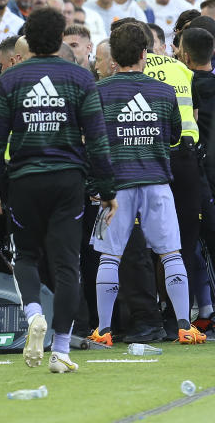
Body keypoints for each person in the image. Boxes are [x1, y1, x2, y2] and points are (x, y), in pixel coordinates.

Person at [0, 7, 117, 374]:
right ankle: (59, 350)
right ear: (60, 38)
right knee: (66, 265)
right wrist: (107, 190)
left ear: (28, 37)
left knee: (25, 256)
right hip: (67, 181)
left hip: (24, 180)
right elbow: (98, 140)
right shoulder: (80, 78)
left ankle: (34, 315)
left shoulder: (9, 81)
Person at [87, 22, 206, 346]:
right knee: (171, 253)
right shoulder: (164, 92)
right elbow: (173, 137)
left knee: (110, 257)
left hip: (116, 188)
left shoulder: (99, 92)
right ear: (144, 54)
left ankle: (104, 330)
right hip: (157, 183)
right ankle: (184, 326)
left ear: (113, 58)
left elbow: (93, 141)